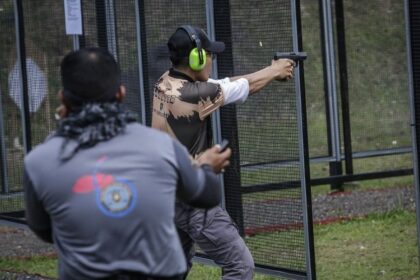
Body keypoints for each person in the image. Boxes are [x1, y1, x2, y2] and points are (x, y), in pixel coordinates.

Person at [23, 47, 232, 280]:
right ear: (121, 94)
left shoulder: (38, 162)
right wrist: (204, 167)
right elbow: (207, 196)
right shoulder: (161, 146)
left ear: (63, 98)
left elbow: (44, 228)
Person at [151, 25, 295, 280]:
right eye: (209, 55)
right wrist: (274, 71)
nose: (211, 60)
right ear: (196, 59)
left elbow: (225, 85)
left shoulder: (166, 82)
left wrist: (271, 72)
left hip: (165, 195)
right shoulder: (192, 95)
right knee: (240, 266)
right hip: (192, 198)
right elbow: (241, 88)